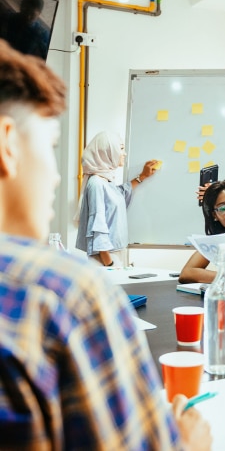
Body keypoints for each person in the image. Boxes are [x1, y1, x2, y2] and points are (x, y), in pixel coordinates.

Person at [0, 39, 212, 449]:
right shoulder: (63, 291)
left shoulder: (110, 185)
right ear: (7, 144)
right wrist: (185, 443)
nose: (58, 177)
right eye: (49, 145)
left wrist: (138, 179)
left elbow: (121, 201)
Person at [75, 131, 158, 267]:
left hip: (115, 253)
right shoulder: (96, 183)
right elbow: (98, 225)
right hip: (107, 257)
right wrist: (109, 262)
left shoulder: (106, 181)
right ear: (107, 151)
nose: (124, 153)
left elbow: (119, 195)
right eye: (120, 148)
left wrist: (142, 177)